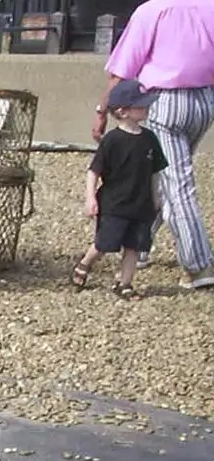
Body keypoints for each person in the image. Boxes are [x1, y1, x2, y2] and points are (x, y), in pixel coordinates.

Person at [96, 0, 214, 290]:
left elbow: (122, 68)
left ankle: (198, 264)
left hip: (162, 100)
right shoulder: (212, 6)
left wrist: (102, 109)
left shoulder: (152, 11)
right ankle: (140, 242)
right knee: (162, 173)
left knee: (177, 181)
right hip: (204, 99)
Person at [73, 79, 168, 301]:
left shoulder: (149, 139)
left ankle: (124, 283)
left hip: (141, 204)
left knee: (134, 246)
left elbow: (156, 171)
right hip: (114, 204)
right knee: (104, 243)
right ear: (122, 111)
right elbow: (94, 170)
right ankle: (85, 263)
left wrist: (156, 197)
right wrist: (90, 198)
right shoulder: (112, 141)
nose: (146, 108)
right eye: (140, 105)